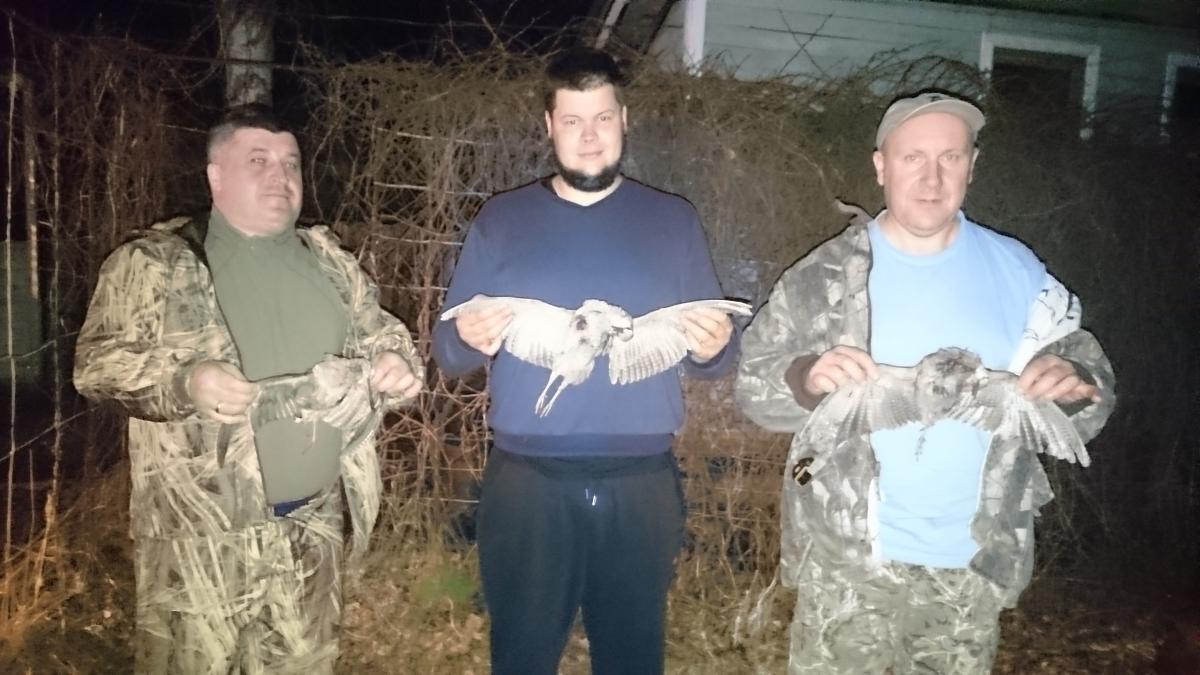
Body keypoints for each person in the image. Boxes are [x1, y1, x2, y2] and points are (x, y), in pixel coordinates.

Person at [735, 92, 1116, 674]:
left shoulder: (1019, 272)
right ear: (880, 166)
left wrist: (1074, 380)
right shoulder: (822, 277)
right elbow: (753, 383)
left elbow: (1090, 387)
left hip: (968, 570)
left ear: (972, 166)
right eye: (912, 157)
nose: (932, 178)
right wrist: (805, 378)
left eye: (950, 158)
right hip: (846, 568)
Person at [73, 104, 423, 674]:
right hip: (201, 538)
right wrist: (186, 381)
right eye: (257, 161)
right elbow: (96, 364)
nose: (279, 176)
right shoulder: (154, 263)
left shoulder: (330, 262)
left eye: (290, 163)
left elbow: (382, 333)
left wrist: (394, 362)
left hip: (314, 522)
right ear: (216, 176)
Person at [432, 48, 737, 675]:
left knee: (632, 656)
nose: (589, 135)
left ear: (625, 118)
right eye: (572, 120)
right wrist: (466, 336)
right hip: (527, 482)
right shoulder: (503, 218)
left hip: (641, 482)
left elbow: (715, 355)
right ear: (549, 126)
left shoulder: (673, 220)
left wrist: (715, 347)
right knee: (522, 654)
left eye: (602, 118)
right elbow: (449, 352)